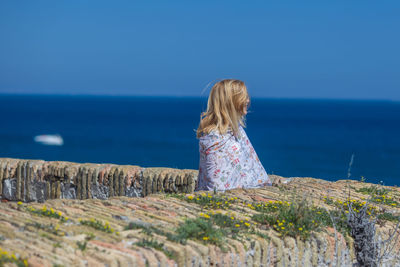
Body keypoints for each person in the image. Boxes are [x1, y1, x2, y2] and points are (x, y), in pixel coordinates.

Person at [195, 79, 272, 192]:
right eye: (243, 97)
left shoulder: (235, 130)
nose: (248, 100)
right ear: (230, 102)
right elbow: (214, 184)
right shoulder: (214, 137)